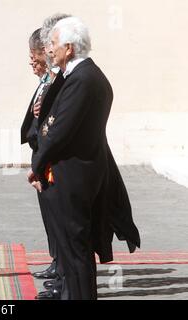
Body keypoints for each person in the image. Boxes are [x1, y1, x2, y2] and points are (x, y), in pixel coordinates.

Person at [29, 17, 140, 299]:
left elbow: (58, 131)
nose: (49, 50)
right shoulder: (81, 76)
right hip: (73, 174)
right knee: (70, 252)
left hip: (72, 177)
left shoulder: (83, 79)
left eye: (53, 44)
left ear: (68, 47)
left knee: (75, 253)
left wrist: (38, 166)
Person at [21, 14, 70, 288]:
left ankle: (63, 269)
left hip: (54, 160)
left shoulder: (60, 79)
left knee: (58, 216)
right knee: (49, 216)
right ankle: (57, 262)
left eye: (34, 54)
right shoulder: (46, 79)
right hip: (42, 154)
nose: (32, 60)